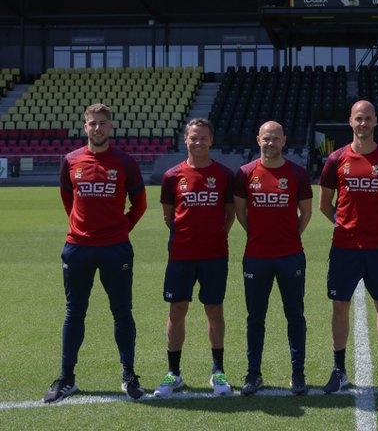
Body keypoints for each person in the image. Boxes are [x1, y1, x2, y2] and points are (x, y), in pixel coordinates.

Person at [44, 103, 148, 403]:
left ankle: (129, 375)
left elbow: (140, 204)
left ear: (110, 126)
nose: (97, 128)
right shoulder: (71, 160)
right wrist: (81, 227)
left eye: (102, 123)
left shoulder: (125, 162)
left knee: (122, 311)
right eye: (93, 123)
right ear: (85, 126)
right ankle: (67, 377)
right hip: (78, 247)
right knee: (74, 311)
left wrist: (120, 228)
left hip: (116, 248)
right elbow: (68, 199)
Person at [319, 100, 378, 394]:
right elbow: (324, 204)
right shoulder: (336, 159)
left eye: (368, 118)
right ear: (350, 121)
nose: (363, 123)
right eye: (358, 118)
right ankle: (339, 369)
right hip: (345, 247)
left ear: (375, 121)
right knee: (339, 306)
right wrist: (344, 224)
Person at [153, 118, 236, 398]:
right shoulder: (172, 176)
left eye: (203, 138)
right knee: (177, 310)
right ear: (185, 139)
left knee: (214, 310)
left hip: (214, 255)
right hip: (181, 256)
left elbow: (230, 214)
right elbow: (168, 216)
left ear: (211, 140)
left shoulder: (224, 175)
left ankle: (218, 371)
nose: (198, 142)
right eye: (193, 137)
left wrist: (215, 236)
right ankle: (173, 373)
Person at [233, 121, 313, 396]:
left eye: (275, 138)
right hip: (256, 256)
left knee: (295, 315)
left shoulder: (298, 173)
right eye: (266, 138)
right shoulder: (245, 173)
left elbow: (306, 212)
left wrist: (291, 235)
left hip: (291, 256)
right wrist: (256, 234)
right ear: (258, 139)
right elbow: (240, 212)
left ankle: (298, 373)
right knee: (255, 317)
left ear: (284, 140)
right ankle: (253, 374)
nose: (270, 143)